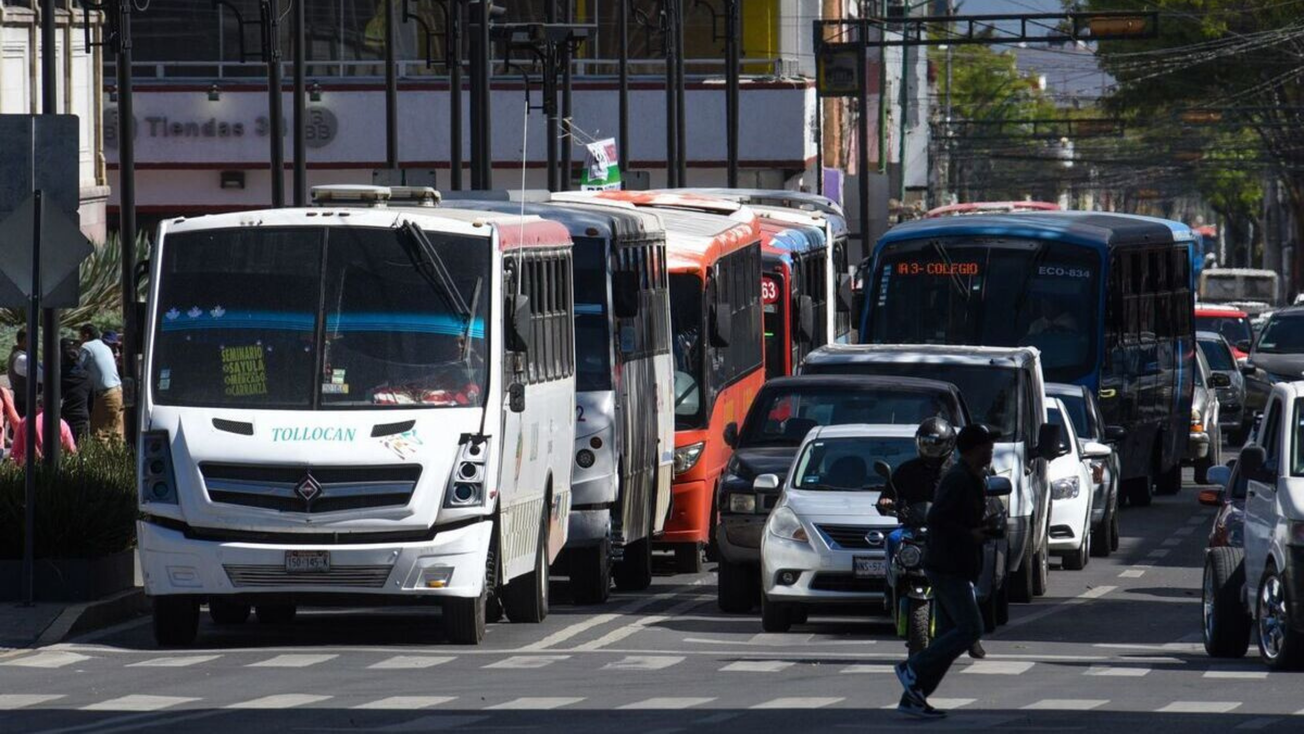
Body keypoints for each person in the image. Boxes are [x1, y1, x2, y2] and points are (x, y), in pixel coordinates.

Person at [894, 424, 1000, 720]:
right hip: (947, 564)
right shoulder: (958, 478)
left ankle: (914, 696)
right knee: (971, 628)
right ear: (973, 449)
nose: (991, 450)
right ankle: (912, 669)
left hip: (955, 563)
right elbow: (939, 519)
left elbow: (959, 518)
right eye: (987, 445)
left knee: (947, 635)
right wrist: (972, 534)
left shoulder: (972, 477)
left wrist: (983, 527)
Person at [877, 417, 986, 660]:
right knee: (892, 539)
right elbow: (887, 496)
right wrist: (886, 503)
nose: (931, 450)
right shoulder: (906, 470)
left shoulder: (960, 472)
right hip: (913, 529)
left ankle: (973, 633)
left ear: (949, 445)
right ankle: (889, 587)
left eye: (936, 445)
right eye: (927, 444)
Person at [79, 324, 124, 442]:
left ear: (86, 335)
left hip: (105, 397)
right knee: (117, 436)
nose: (80, 340)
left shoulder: (87, 346)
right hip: (118, 393)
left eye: (80, 336)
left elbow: (78, 368)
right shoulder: (105, 347)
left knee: (100, 436)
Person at [9, 396, 77, 468]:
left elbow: (15, 454)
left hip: (31, 469)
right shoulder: (61, 424)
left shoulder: (25, 422)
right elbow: (71, 451)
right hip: (55, 469)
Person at [60, 338, 93, 442]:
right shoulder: (87, 377)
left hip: (65, 419)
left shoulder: (60, 377)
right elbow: (91, 401)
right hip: (82, 417)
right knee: (82, 452)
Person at [7, 329, 30, 417]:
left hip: (24, 400)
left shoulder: (22, 355)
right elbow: (42, 377)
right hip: (24, 402)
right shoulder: (22, 358)